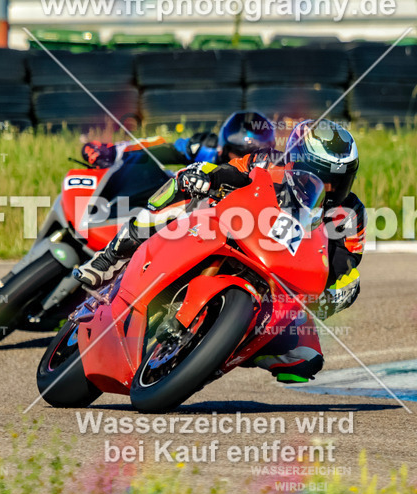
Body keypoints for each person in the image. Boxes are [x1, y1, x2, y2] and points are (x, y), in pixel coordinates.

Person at [75, 119, 365, 384]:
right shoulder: (267, 161)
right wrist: (206, 178)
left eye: (338, 181)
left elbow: (343, 263)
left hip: (279, 283)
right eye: (322, 176)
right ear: (297, 160)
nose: (329, 187)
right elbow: (230, 170)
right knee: (180, 196)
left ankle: (223, 347)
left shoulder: (350, 214)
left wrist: (338, 292)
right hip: (225, 233)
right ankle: (111, 257)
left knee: (305, 360)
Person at [78, 110, 276, 170]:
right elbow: (164, 146)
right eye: (239, 154)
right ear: (223, 148)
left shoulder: (275, 174)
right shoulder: (205, 149)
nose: (246, 161)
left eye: (254, 156)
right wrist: (114, 152)